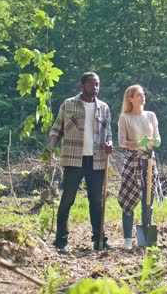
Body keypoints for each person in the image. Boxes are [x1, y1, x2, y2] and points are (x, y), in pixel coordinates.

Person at [48, 72, 113, 254]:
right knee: (68, 198)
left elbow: (108, 133)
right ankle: (61, 241)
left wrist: (110, 143)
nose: (95, 88)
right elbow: (56, 129)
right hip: (73, 158)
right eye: (92, 84)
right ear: (82, 86)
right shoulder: (68, 104)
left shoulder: (104, 108)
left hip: (97, 159)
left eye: (98, 84)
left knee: (97, 201)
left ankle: (99, 240)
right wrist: (51, 147)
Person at [117, 84, 161, 249]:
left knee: (148, 200)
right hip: (133, 161)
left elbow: (157, 137)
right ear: (131, 98)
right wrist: (137, 144)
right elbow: (121, 142)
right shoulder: (125, 118)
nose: (143, 97)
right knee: (129, 198)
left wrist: (156, 141)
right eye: (139, 95)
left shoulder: (151, 115)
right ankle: (128, 239)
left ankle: (146, 238)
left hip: (149, 161)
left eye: (143, 94)